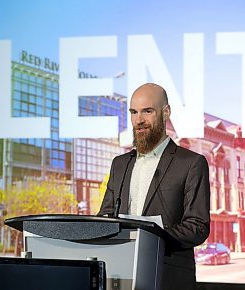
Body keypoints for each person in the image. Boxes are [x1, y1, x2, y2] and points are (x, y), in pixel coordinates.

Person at [98, 83, 210, 290]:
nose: (138, 120)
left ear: (166, 112)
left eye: (147, 111)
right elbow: (105, 216)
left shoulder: (191, 163)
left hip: (168, 278)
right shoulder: (120, 164)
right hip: (119, 277)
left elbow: (198, 226)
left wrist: (152, 235)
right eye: (133, 112)